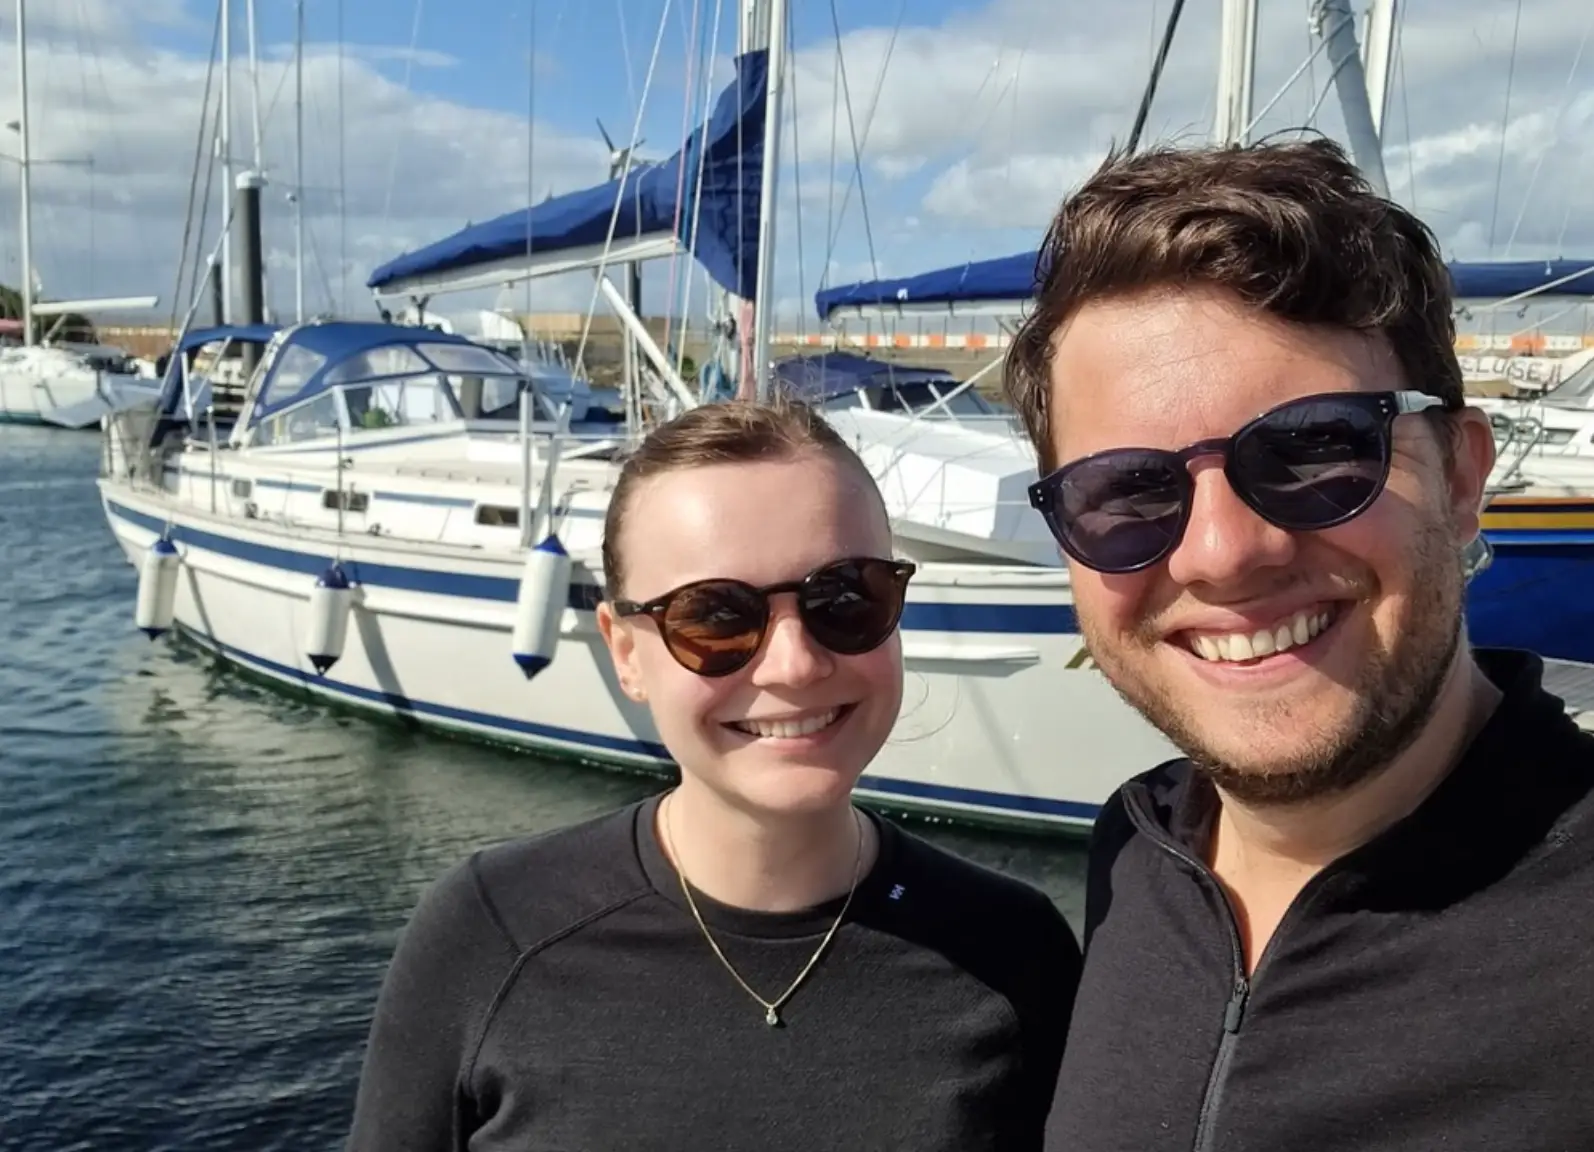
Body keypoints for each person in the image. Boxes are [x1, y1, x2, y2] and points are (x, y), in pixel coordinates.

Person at [1001, 136, 1594, 1152]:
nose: (1224, 553)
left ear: (1459, 478)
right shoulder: (1137, 856)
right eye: (1126, 492)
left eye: (1318, 448)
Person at [343, 399, 1082, 1151]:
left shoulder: (1015, 950)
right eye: (717, 618)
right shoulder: (490, 933)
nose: (794, 665)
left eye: (845, 597)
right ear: (625, 652)